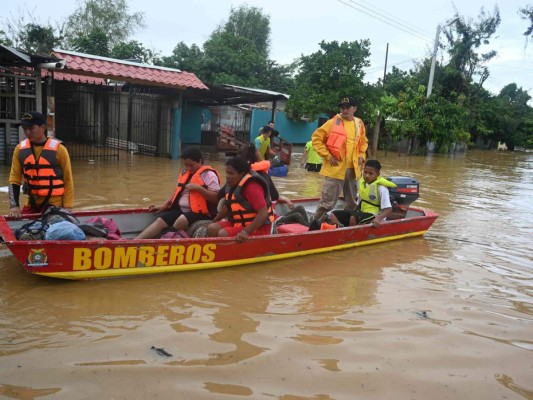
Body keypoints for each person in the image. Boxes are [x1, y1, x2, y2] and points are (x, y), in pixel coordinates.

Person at [135, 147, 220, 239]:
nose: (188, 168)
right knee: (160, 220)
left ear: (200, 161)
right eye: (186, 165)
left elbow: (216, 198)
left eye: (191, 165)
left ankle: (163, 241)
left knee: (181, 220)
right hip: (181, 210)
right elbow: (176, 192)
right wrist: (164, 205)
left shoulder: (209, 175)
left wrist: (199, 188)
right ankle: (134, 241)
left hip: (201, 213)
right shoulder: (185, 173)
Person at [311, 96, 368, 222]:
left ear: (355, 109)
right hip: (335, 169)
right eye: (342, 107)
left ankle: (347, 224)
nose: (345, 110)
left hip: (353, 169)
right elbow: (316, 139)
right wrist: (327, 155)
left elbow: (363, 143)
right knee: (327, 202)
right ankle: (314, 224)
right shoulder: (332, 123)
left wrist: (361, 156)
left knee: (352, 202)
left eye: (348, 107)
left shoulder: (359, 123)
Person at [8, 111, 74, 219]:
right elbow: (14, 179)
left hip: (54, 205)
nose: (27, 132)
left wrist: (67, 207)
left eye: (31, 128)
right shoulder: (19, 150)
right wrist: (14, 206)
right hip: (32, 203)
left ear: (42, 127)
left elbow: (68, 180)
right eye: (25, 129)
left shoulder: (59, 149)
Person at [207, 157, 274, 243]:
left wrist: (246, 231)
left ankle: (228, 255)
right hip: (238, 223)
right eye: (226, 173)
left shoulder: (252, 187)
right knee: (212, 228)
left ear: (242, 174)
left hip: (259, 227)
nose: (227, 176)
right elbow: (228, 207)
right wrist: (213, 221)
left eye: (231, 173)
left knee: (223, 233)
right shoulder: (232, 184)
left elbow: (263, 213)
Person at [329, 159, 396, 228]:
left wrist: (378, 218)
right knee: (333, 215)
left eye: (370, 173)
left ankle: (353, 236)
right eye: (365, 172)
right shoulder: (361, 184)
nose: (367, 175)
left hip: (374, 214)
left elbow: (388, 209)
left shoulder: (381, 189)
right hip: (361, 212)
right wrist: (354, 213)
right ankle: (341, 229)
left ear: (377, 175)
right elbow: (359, 202)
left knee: (353, 218)